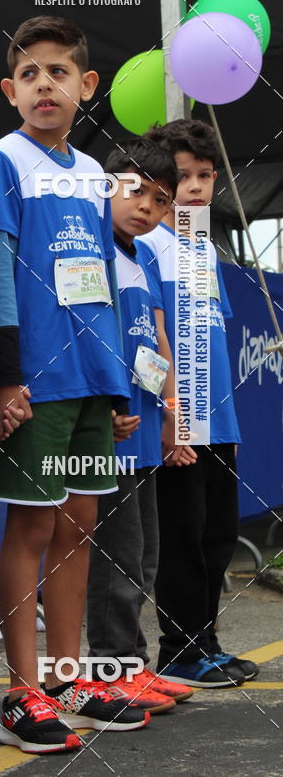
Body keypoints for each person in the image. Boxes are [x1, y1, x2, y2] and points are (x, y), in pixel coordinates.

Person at [0, 15, 149, 755]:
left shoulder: (92, 175)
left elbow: (102, 285)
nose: (46, 84)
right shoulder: (0, 160)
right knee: (33, 527)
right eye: (31, 74)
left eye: (60, 72)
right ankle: (22, 693)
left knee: (78, 529)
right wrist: (5, 380)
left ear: (88, 86)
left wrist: (116, 389)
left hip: (90, 382)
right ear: (12, 90)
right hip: (35, 385)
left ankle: (70, 678)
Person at [139, 118, 258, 687]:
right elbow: (152, 334)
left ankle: (205, 638)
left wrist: (224, 419)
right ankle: (180, 649)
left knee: (216, 535)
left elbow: (212, 334)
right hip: (177, 420)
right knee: (182, 539)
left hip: (217, 419)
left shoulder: (202, 247)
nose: (193, 187)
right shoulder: (149, 245)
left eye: (204, 175)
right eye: (182, 176)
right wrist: (171, 412)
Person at [86, 138, 197, 715]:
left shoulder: (147, 256)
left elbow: (157, 341)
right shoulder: (90, 248)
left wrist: (172, 412)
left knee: (144, 554)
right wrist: (103, 405)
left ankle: (133, 665)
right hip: (110, 431)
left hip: (145, 424)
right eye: (135, 191)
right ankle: (107, 670)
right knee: (116, 557)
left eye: (159, 200)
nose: (146, 208)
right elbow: (79, 332)